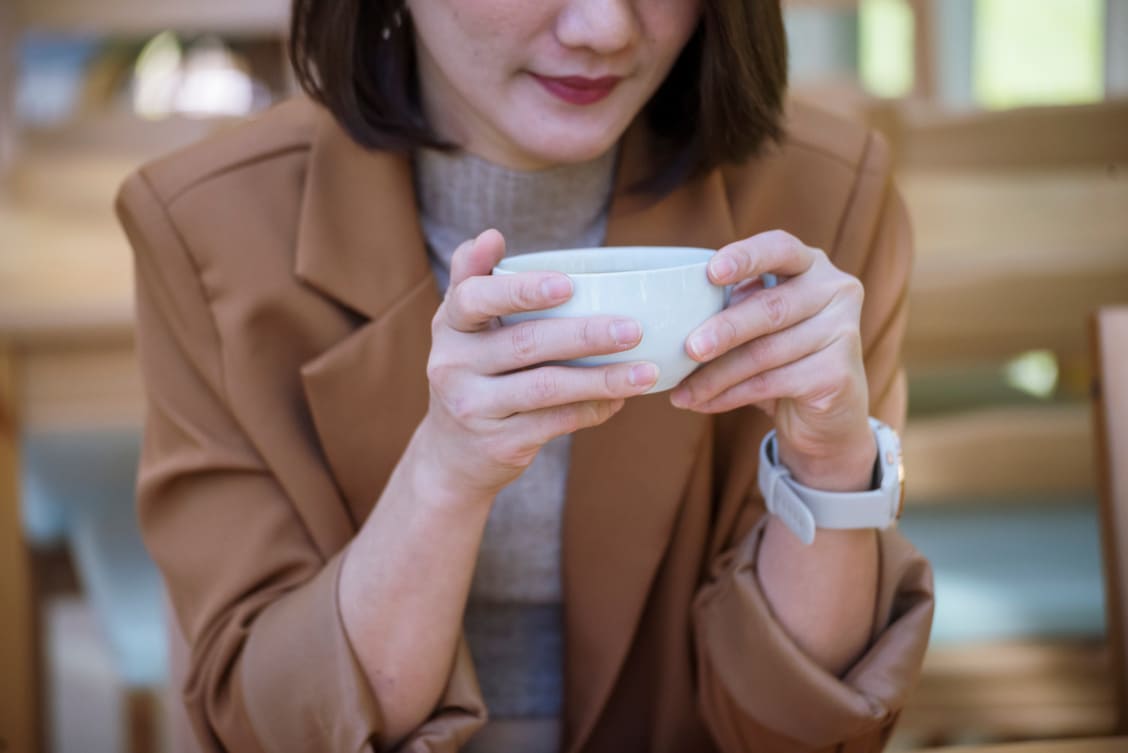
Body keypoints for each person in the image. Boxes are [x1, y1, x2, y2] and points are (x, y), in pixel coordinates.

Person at [116, 0, 934, 751]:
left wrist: (829, 466)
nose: (604, 28)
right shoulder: (206, 229)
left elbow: (795, 726)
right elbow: (278, 724)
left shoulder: (823, 199)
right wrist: (444, 475)